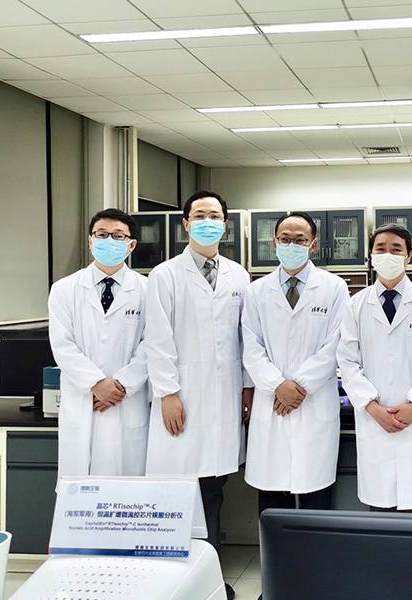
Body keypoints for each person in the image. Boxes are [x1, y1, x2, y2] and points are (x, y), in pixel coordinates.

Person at [145, 190, 252, 600]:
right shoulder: (165, 275)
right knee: (179, 494)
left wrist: (246, 385)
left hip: (224, 399)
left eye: (215, 215)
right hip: (182, 398)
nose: (208, 222)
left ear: (225, 224)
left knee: (213, 490)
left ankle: (211, 581)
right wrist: (168, 393)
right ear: (186, 224)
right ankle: (177, 582)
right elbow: (158, 340)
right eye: (200, 215)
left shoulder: (238, 276)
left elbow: (245, 338)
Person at [337, 223, 412, 512]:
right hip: (375, 421)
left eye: (396, 249)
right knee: (382, 515)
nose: (387, 254)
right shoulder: (355, 305)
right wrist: (372, 407)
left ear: (409, 256)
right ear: (371, 256)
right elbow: (347, 361)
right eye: (380, 249)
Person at [242, 211, 349, 515]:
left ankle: (316, 549)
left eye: (300, 240)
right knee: (273, 503)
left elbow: (336, 344)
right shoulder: (256, 291)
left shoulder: (334, 287)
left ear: (313, 245)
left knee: (317, 500)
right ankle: (276, 550)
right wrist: (277, 385)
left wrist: (298, 387)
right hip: (272, 402)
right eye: (285, 239)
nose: (292, 245)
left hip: (312, 402)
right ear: (274, 242)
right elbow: (251, 345)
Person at [48, 208, 149, 477]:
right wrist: (95, 383)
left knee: (127, 489)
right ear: (90, 241)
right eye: (102, 235)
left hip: (126, 400)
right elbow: (62, 344)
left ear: (131, 245)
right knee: (80, 488)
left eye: (118, 236)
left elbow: (153, 344)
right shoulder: (64, 289)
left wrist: (122, 385)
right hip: (84, 400)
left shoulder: (148, 289)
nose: (109, 241)